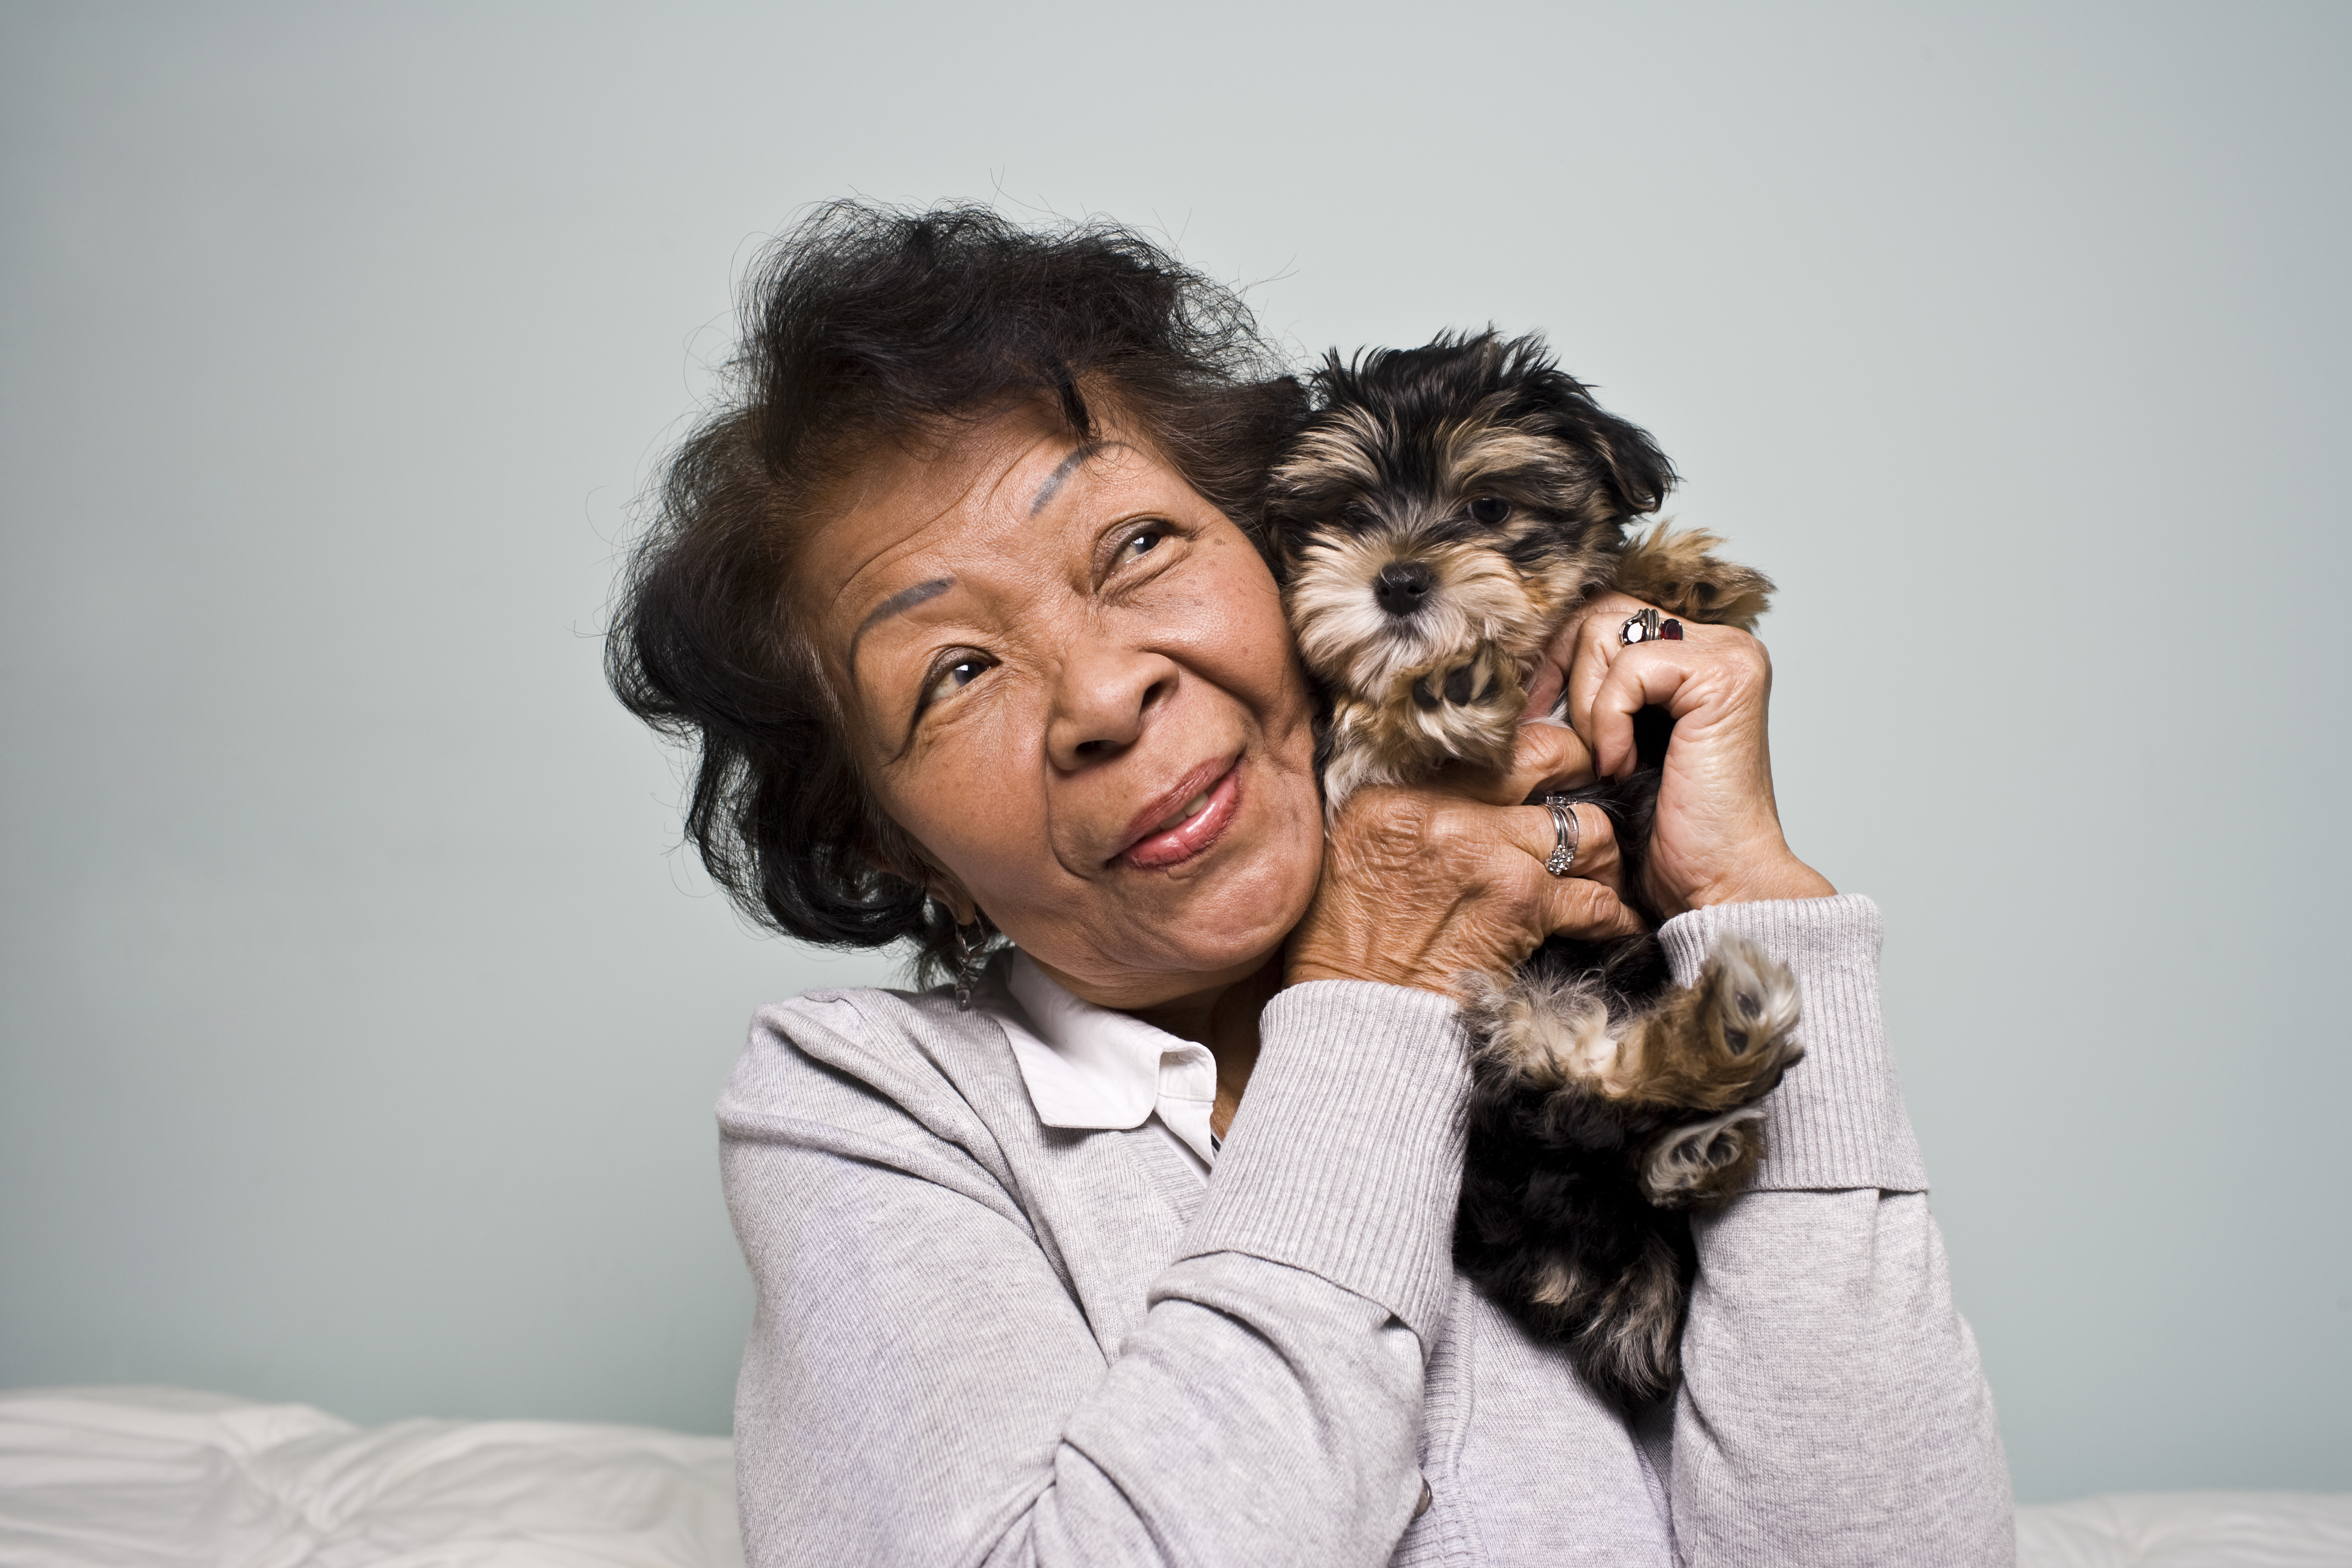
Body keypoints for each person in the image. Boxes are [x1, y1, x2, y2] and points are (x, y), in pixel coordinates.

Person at [607, 201, 2013, 1567]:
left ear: (1274, 561)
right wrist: (1373, 995)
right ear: (897, 850)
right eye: (957, 672)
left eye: (1139, 546)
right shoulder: (866, 1111)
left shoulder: (1596, 961)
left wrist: (1752, 905)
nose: (1102, 692)